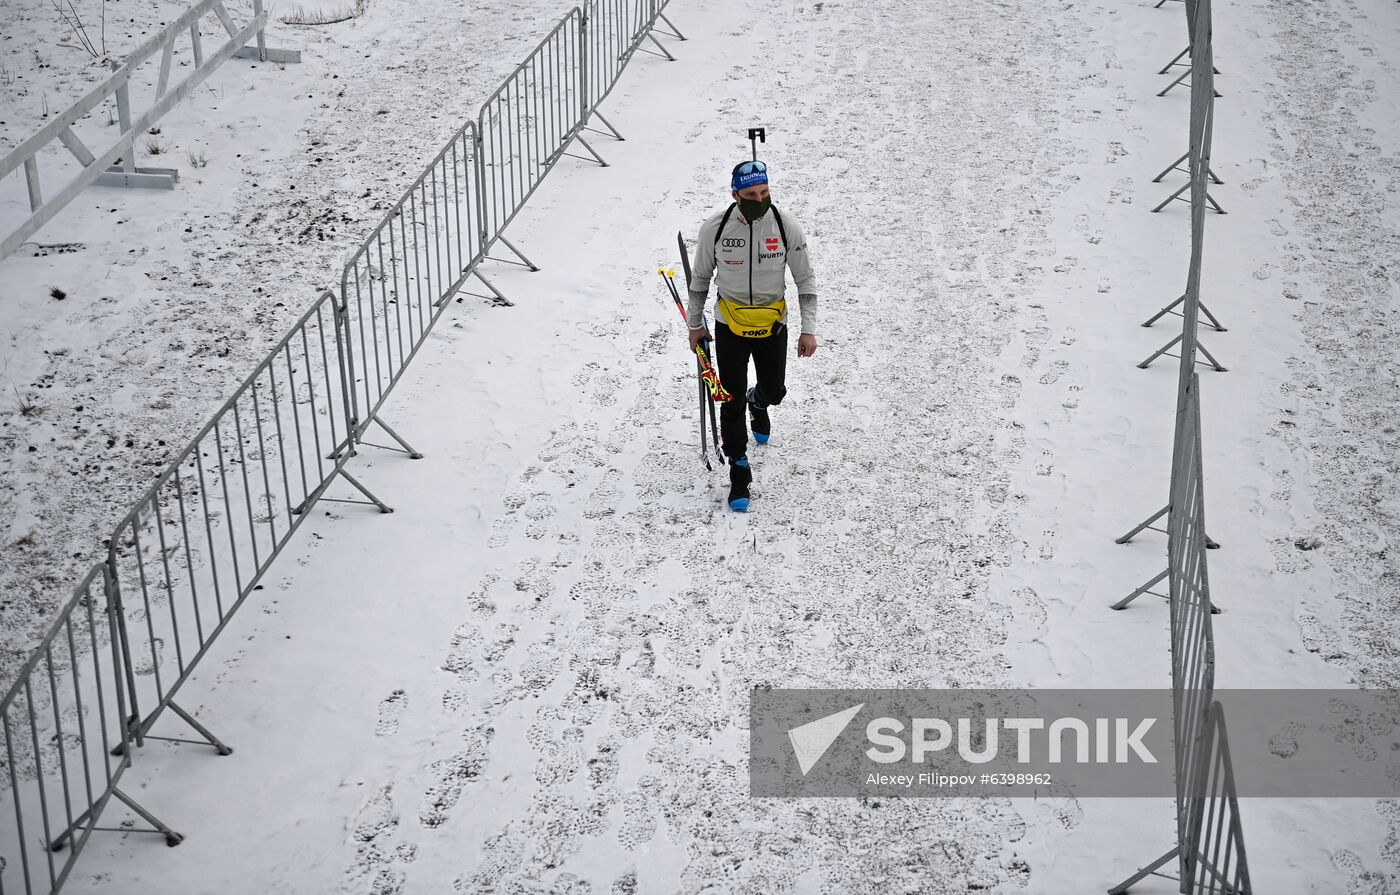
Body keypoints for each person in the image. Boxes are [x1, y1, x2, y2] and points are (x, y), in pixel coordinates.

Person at [686, 160, 818, 511]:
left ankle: (759, 402)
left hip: (772, 324)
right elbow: (699, 279)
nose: (759, 199)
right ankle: (739, 470)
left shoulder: (785, 225)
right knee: (730, 400)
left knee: (775, 390)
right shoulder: (715, 228)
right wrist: (694, 325)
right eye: (750, 194)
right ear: (735, 194)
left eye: (764, 192)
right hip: (729, 326)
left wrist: (809, 329)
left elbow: (805, 281)